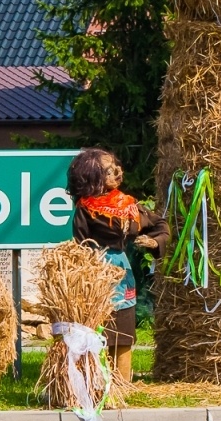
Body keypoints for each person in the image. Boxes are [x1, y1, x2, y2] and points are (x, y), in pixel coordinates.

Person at [66, 148, 168, 378]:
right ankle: (97, 381)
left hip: (121, 274)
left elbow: (160, 225)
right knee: (96, 332)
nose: (117, 173)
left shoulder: (128, 206)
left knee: (123, 332)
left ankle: (122, 383)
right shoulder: (86, 209)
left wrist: (154, 242)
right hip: (95, 273)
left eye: (116, 168)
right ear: (91, 177)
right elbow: (80, 242)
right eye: (109, 170)